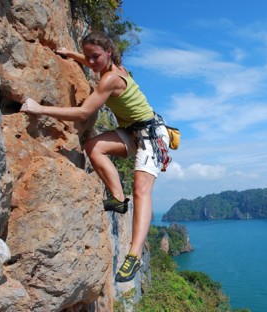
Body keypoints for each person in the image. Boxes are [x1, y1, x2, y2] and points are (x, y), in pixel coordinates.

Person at [20, 30, 170, 283]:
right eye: (88, 57)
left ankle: (133, 256)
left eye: (95, 57)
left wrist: (39, 108)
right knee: (93, 147)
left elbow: (84, 112)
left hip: (152, 136)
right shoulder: (113, 67)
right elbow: (93, 60)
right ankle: (118, 198)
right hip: (133, 132)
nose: (91, 62)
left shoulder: (111, 78)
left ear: (109, 53)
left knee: (142, 190)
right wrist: (72, 55)